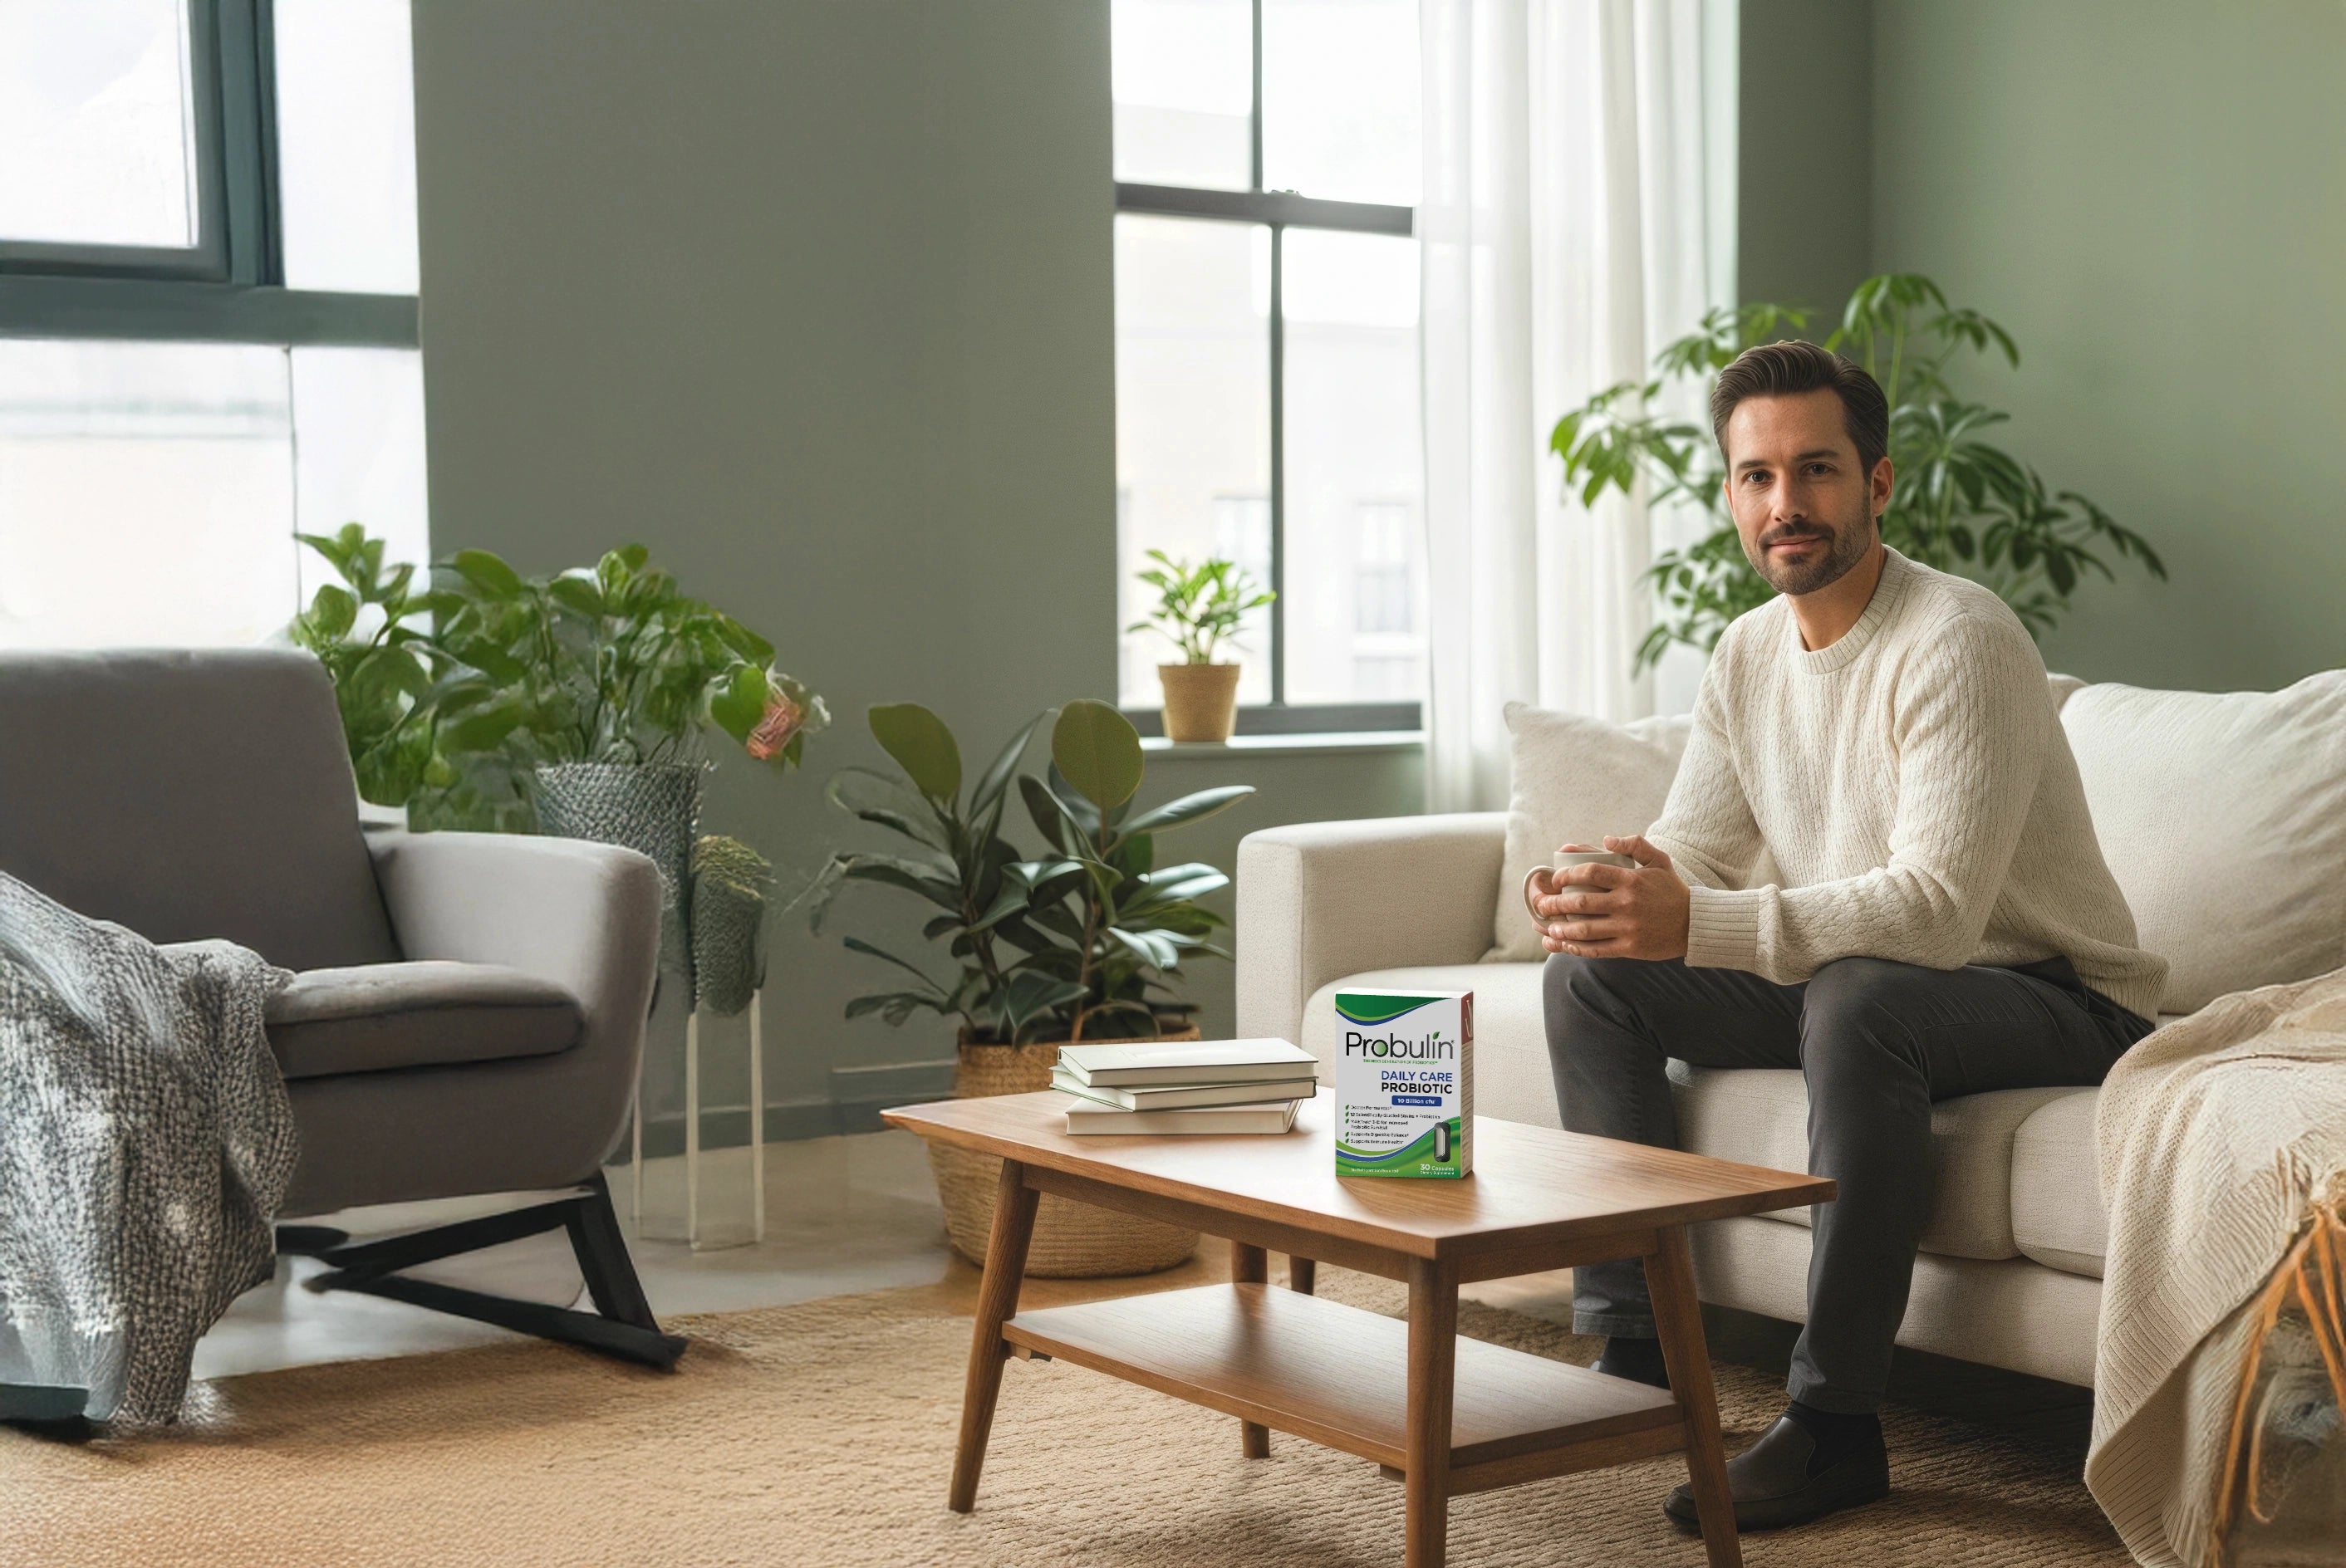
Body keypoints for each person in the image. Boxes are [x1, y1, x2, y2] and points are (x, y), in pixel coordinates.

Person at [1531, 339, 2164, 1533]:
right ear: (1730, 494)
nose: (1786, 504)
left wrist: (1702, 917)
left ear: (1877, 483)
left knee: (1860, 998)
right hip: (1870, 973)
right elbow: (1703, 854)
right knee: (1592, 982)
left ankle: (1835, 1425)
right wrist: (1609, 887)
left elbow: (1932, 912)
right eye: (1757, 477)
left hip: (2056, 992)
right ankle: (1640, 1346)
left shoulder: (1958, 638)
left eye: (1815, 471)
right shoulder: (1746, 652)